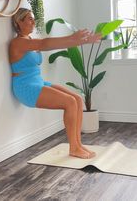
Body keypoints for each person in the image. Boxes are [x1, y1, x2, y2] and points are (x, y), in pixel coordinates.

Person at [9, 8, 101, 159]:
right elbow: (45, 43)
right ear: (18, 22)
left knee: (77, 99)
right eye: (29, 19)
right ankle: (73, 148)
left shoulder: (30, 41)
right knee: (69, 102)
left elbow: (45, 44)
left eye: (33, 18)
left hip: (38, 82)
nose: (33, 22)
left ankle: (77, 144)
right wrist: (73, 38)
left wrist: (81, 40)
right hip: (26, 87)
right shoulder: (18, 43)